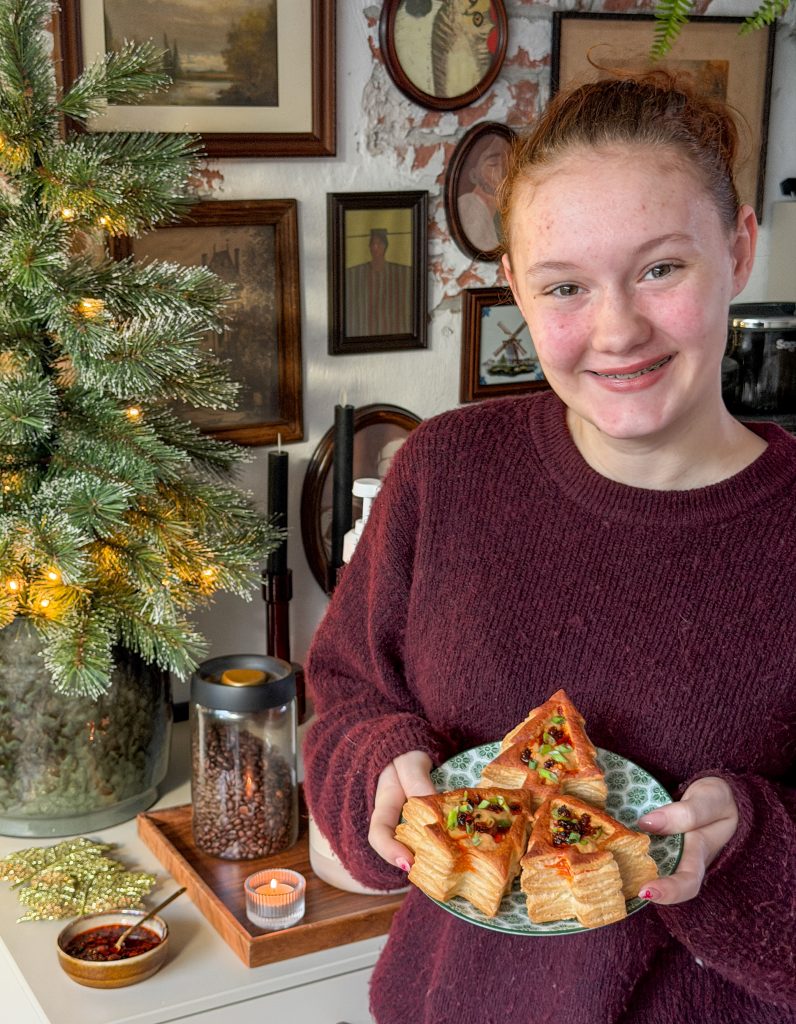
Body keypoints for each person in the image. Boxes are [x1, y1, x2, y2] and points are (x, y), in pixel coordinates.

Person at [304, 70, 796, 1024]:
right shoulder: (443, 473)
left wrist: (750, 850)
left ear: (738, 246)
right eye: (565, 286)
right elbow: (347, 701)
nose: (616, 331)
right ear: (518, 292)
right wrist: (378, 770)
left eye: (661, 268)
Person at [345, 227, 413, 337]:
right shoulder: (356, 273)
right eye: (373, 244)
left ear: (385, 246)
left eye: (379, 244)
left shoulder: (400, 272)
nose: (375, 247)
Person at [457, 132, 509, 252]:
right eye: (493, 164)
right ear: (474, 175)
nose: (503, 172)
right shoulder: (468, 205)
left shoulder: (499, 214)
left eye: (507, 162)